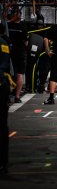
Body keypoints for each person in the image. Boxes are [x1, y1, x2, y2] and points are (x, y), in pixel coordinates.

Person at [7, 9, 28, 103]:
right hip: (20, 53)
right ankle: (17, 96)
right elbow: (26, 43)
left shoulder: (7, 25)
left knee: (7, 74)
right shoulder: (23, 27)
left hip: (9, 52)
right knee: (20, 74)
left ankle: (7, 95)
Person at [0, 23, 12, 175]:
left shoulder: (3, 44)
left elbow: (4, 66)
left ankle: (2, 163)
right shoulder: (4, 43)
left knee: (1, 125)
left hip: (1, 86)